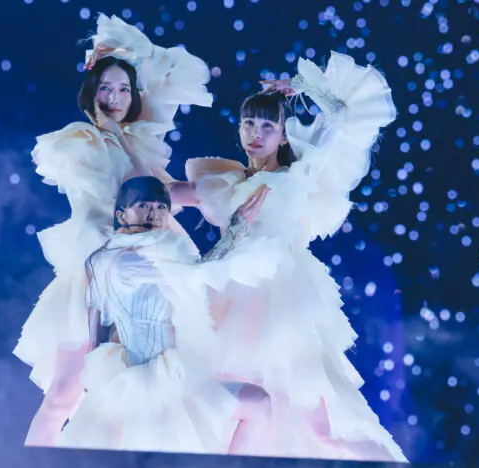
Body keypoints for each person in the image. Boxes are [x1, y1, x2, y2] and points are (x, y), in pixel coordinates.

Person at [171, 52, 408, 462]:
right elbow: (164, 197)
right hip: (231, 296)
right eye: (249, 123)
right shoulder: (226, 182)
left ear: (283, 135)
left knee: (318, 424)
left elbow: (338, 114)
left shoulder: (297, 174)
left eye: (268, 125)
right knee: (219, 402)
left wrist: (299, 87)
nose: (256, 133)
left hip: (282, 303)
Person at [14, 14, 215, 396]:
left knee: (149, 381)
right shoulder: (81, 142)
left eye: (124, 89)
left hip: (147, 261)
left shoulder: (135, 140)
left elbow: (162, 191)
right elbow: (140, 190)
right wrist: (112, 134)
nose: (115, 98)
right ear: (92, 93)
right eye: (106, 88)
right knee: (66, 393)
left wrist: (229, 192)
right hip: (99, 261)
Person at [26, 177, 278, 455]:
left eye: (161, 207)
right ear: (121, 215)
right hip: (146, 385)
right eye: (143, 205)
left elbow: (97, 318)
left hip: (170, 375)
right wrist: (236, 229)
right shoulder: (122, 260)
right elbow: (197, 274)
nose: (154, 214)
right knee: (253, 406)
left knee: (258, 404)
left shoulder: (147, 251)